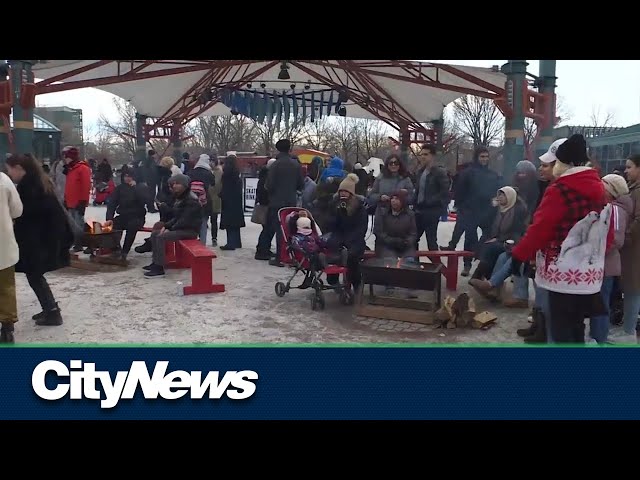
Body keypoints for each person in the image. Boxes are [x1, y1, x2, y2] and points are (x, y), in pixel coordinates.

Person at [510, 134, 611, 344]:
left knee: (560, 330)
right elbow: (605, 230)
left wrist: (519, 254)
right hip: (588, 275)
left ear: (563, 163)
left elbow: (541, 227)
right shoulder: (600, 188)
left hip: (562, 273)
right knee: (576, 327)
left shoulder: (560, 189)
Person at [5, 154, 74, 326]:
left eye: (10, 169)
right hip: (44, 238)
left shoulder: (29, 187)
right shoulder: (38, 182)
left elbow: (24, 214)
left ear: (19, 168)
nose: (9, 174)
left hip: (38, 240)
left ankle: (52, 312)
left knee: (34, 275)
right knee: (35, 275)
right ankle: (50, 309)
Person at [445, 146, 501, 276]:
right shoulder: (468, 173)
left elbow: (497, 191)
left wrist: (495, 204)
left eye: (486, 157)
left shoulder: (492, 174)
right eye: (482, 157)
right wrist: (461, 206)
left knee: (488, 235)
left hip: (487, 210)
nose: (485, 159)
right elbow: (460, 191)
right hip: (470, 210)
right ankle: (467, 264)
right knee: (470, 237)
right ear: (477, 157)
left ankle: (480, 258)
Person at [588, 174, 630, 344]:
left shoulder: (616, 210)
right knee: (596, 304)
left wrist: (596, 252)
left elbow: (616, 239)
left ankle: (599, 338)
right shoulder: (605, 207)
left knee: (601, 304)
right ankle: (595, 336)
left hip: (606, 265)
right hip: (598, 263)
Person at [143, 174, 201, 278]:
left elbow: (185, 220)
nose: (174, 186)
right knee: (156, 233)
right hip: (182, 228)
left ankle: (159, 268)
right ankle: (156, 262)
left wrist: (170, 228)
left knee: (161, 237)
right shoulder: (180, 197)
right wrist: (166, 225)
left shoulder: (191, 199)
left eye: (177, 183)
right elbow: (177, 217)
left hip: (190, 230)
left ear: (184, 185)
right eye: (173, 184)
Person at [324, 173, 369, 290]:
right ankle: (333, 279)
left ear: (351, 193)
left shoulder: (359, 208)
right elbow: (330, 225)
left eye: (346, 191)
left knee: (351, 255)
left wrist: (349, 241)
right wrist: (338, 214)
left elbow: (361, 228)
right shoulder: (334, 204)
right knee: (333, 249)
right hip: (339, 236)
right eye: (341, 191)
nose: (343, 193)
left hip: (355, 239)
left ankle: (354, 283)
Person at [263, 139, 304, 266]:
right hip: (291, 201)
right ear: (289, 149)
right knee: (289, 228)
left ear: (278, 149)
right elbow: (300, 185)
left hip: (276, 202)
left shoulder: (275, 165)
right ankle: (291, 254)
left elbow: (269, 185)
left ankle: (280, 257)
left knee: (279, 229)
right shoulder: (295, 165)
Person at [104, 170, 152, 260]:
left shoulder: (141, 187)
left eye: (130, 176)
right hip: (123, 215)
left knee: (132, 227)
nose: (127, 178)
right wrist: (109, 218)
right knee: (112, 227)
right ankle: (115, 248)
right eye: (125, 176)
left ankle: (125, 251)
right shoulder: (120, 188)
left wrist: (136, 188)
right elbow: (112, 203)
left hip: (137, 216)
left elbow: (146, 201)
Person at [619, 154, 640, 343]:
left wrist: (626, 236)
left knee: (633, 289)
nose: (626, 170)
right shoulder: (633, 189)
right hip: (633, 248)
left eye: (630, 167)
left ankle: (628, 331)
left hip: (635, 248)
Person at [0, 170, 23, 343]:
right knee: (6, 287)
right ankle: (7, 329)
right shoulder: (3, 180)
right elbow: (17, 210)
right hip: (3, 245)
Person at [413, 144, 449, 252]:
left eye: (426, 154)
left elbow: (444, 192)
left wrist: (430, 201)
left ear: (432, 156)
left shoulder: (439, 172)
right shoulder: (420, 172)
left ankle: (439, 268)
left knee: (431, 242)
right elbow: (418, 190)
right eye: (421, 154)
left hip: (432, 211)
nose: (423, 157)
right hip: (419, 210)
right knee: (412, 240)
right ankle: (414, 265)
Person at [62, 146, 92, 253]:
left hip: (78, 202)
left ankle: (81, 243)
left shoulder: (82, 169)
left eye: (66, 157)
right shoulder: (71, 169)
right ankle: (77, 242)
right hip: (70, 201)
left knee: (78, 224)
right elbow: (69, 186)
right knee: (73, 224)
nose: (65, 159)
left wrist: (83, 201)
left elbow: (86, 186)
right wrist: (66, 199)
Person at [374, 190, 417, 259]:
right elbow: (379, 232)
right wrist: (392, 241)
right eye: (392, 198)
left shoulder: (410, 215)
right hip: (386, 245)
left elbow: (413, 233)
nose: (393, 201)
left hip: (405, 246)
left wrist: (407, 242)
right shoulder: (383, 214)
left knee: (409, 261)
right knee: (391, 262)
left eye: (397, 199)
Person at [219, 155, 246, 251]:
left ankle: (230, 243)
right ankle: (237, 242)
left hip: (228, 200)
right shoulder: (237, 172)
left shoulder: (227, 174)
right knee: (235, 223)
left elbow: (225, 187)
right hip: (236, 200)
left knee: (229, 222)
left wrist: (221, 194)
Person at [188, 154, 216, 245]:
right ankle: (202, 243)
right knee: (204, 222)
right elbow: (213, 184)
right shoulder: (209, 173)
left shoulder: (191, 172)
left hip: (191, 200)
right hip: (205, 200)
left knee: (192, 222)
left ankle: (192, 242)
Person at [255, 158, 277, 260]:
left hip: (264, 204)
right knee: (268, 229)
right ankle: (262, 250)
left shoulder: (263, 175)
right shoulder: (268, 177)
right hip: (267, 205)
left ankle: (263, 249)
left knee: (267, 229)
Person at [208, 156, 223, 247]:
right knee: (209, 219)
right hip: (210, 197)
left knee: (214, 219)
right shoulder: (210, 171)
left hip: (215, 197)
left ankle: (214, 238)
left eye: (211, 161)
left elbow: (218, 185)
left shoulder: (219, 172)